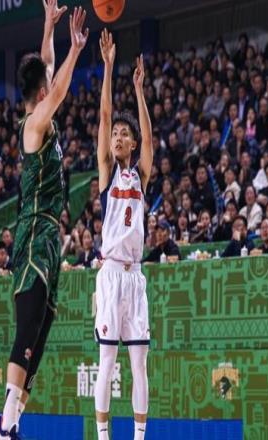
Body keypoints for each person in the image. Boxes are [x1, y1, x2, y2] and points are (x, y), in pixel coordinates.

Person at [0, 3, 89, 439]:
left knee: (40, 336)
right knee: (27, 327)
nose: (51, 80)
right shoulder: (34, 123)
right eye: (48, 81)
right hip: (33, 231)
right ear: (42, 90)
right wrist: (76, 50)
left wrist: (49, 27)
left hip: (48, 234)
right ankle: (2, 426)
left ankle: (9, 426)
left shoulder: (39, 114)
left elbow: (46, 66)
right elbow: (57, 88)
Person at [94, 29, 152, 440]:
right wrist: (108, 67)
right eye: (114, 133)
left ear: (131, 143)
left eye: (123, 134)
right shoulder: (106, 173)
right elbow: (103, 116)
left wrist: (139, 91)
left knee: (139, 365)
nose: (117, 136)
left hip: (135, 276)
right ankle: (103, 437)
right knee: (107, 363)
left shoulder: (140, 175)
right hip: (111, 273)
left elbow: (149, 138)